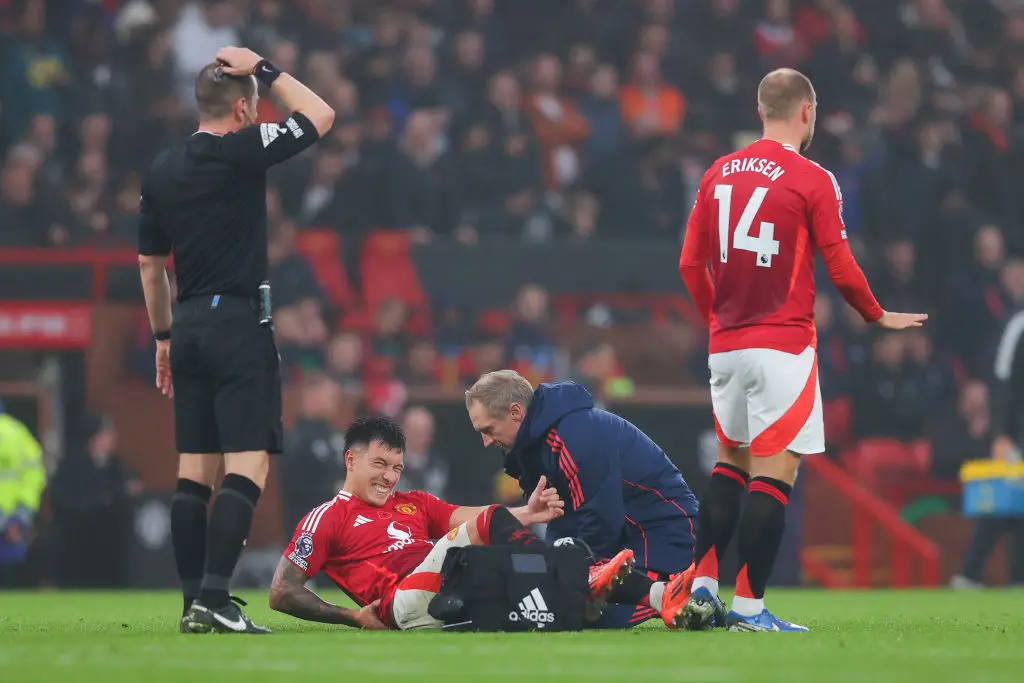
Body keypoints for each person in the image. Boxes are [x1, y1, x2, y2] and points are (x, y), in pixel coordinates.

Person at [678, 68, 927, 632]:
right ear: (807, 114)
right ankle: (749, 608)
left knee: (729, 465)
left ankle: (698, 589)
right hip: (783, 344)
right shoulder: (812, 178)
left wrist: (715, 319)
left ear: (760, 108)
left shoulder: (718, 172)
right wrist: (876, 314)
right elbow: (838, 264)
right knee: (775, 474)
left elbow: (690, 264)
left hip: (727, 347)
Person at [137, 45, 335, 633]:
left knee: (193, 471)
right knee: (247, 467)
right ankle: (216, 601)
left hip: (189, 322)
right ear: (246, 110)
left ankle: (192, 602)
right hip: (239, 322)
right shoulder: (245, 150)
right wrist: (265, 70)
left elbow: (151, 267)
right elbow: (320, 114)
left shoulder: (162, 170)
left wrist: (163, 338)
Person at [268, 417, 636, 630]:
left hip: (450, 587)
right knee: (555, 564)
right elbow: (281, 591)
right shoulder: (329, 515)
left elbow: (469, 520)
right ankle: (563, 575)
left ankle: (662, 596)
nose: (390, 477)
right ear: (351, 460)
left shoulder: (414, 503)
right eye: (379, 464)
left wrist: (529, 512)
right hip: (401, 600)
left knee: (562, 570)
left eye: (397, 468)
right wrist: (352, 616)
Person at [464, 370, 700, 629]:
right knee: (555, 607)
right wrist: (554, 570)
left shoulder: (575, 434)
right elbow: (564, 520)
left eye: (488, 429)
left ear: (516, 412)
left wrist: (570, 577)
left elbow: (602, 517)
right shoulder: (537, 445)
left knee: (581, 615)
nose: (486, 442)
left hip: (661, 536)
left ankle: (693, 601)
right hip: (625, 539)